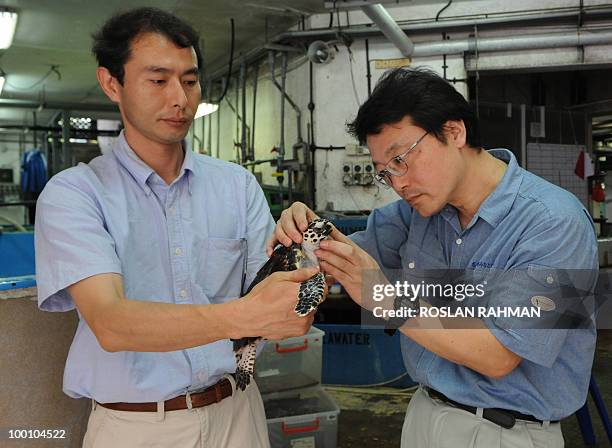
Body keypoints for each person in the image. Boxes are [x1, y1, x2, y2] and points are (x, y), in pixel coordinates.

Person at [34, 7, 318, 448]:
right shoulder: (76, 194)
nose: (180, 99)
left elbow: (286, 308)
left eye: (189, 80)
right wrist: (240, 316)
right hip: (136, 428)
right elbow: (112, 324)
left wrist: (303, 249)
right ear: (112, 83)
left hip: (237, 414)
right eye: (158, 79)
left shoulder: (237, 186)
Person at [271, 67, 598, 447]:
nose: (398, 183)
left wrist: (382, 297)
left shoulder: (556, 222)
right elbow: (339, 258)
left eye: (402, 159)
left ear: (454, 132)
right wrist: (306, 233)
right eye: (384, 173)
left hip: (508, 431)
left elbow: (499, 355)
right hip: (425, 413)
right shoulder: (416, 214)